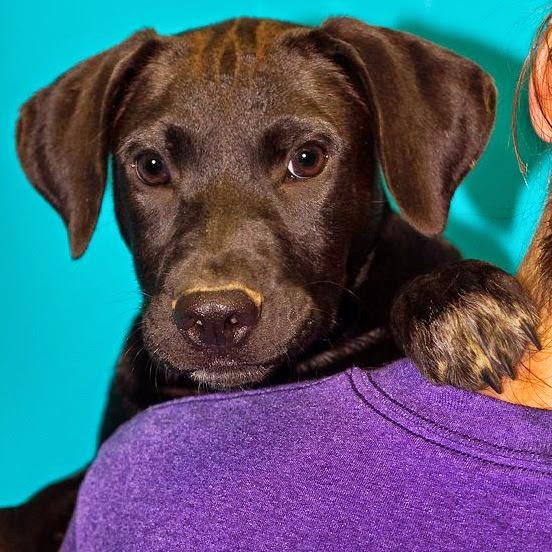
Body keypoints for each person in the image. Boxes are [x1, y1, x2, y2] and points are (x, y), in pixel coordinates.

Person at [60, 18, 552, 552]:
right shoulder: (144, 408)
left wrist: (442, 296)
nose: (215, 296)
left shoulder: (435, 303)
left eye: (305, 160)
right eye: (154, 169)